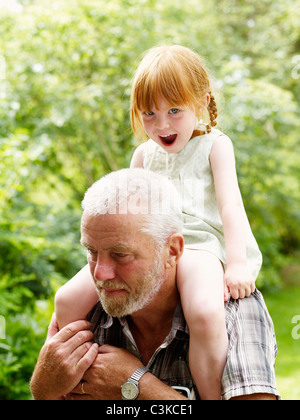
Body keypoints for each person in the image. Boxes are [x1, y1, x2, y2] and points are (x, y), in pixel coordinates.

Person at [55, 45, 263, 400]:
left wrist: (238, 263)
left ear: (201, 103)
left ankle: (211, 394)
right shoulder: (143, 155)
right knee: (66, 298)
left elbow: (231, 207)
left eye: (174, 110)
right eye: (149, 113)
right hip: (150, 244)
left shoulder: (215, 146)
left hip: (199, 246)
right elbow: (127, 215)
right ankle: (71, 384)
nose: (161, 124)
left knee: (202, 310)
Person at [31, 169, 280, 400]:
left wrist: (136, 385)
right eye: (92, 251)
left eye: (120, 255)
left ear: (172, 251)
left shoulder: (232, 312)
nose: (100, 273)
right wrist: (43, 387)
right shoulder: (85, 312)